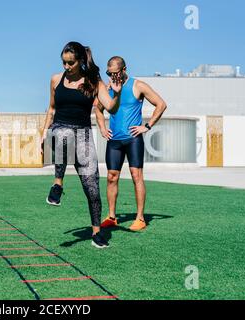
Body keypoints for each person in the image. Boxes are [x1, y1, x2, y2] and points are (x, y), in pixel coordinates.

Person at [41, 42, 122, 249]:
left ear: (80, 61)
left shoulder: (94, 82)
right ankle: (57, 183)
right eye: (64, 63)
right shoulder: (55, 80)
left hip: (84, 136)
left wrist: (117, 93)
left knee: (92, 187)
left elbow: (111, 108)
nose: (66, 67)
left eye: (70, 63)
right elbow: (51, 109)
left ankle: (96, 232)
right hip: (60, 130)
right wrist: (43, 134)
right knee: (63, 134)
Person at [95, 56, 167, 231]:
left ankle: (140, 218)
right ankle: (112, 217)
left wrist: (147, 126)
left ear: (124, 69)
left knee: (136, 176)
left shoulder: (138, 85)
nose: (112, 76)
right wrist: (103, 128)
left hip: (133, 139)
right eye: (109, 73)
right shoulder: (107, 88)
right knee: (112, 177)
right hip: (114, 140)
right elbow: (97, 109)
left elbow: (161, 104)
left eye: (115, 73)